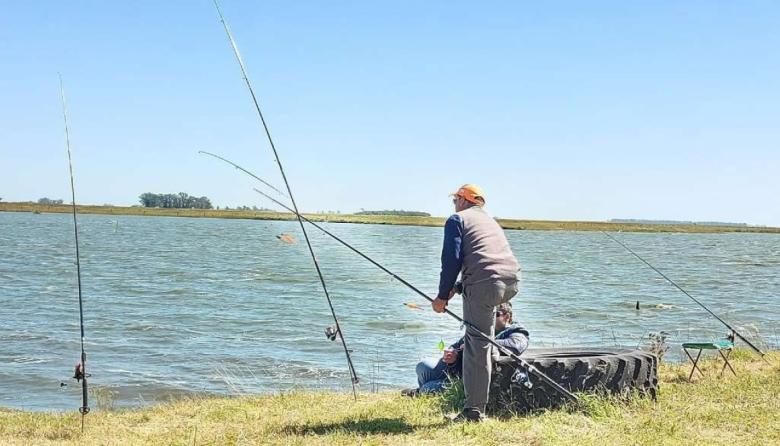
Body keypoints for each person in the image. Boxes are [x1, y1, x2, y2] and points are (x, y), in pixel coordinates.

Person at [432, 184, 520, 422]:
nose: (454, 205)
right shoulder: (490, 221)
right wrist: (459, 287)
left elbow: (451, 260)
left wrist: (442, 297)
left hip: (485, 285)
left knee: (476, 346)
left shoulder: (457, 220)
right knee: (484, 339)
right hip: (511, 283)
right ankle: (487, 382)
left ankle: (474, 411)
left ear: (463, 200)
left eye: (455, 200)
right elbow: (485, 258)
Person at [409, 302, 529, 396]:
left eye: (495, 314)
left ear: (507, 316)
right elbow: (457, 345)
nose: (489, 317)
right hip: (457, 370)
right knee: (422, 366)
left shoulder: (517, 332)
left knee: (428, 387)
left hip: (472, 378)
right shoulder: (482, 327)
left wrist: (477, 344)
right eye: (486, 313)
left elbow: (515, 346)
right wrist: (452, 355)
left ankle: (424, 393)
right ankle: (424, 393)